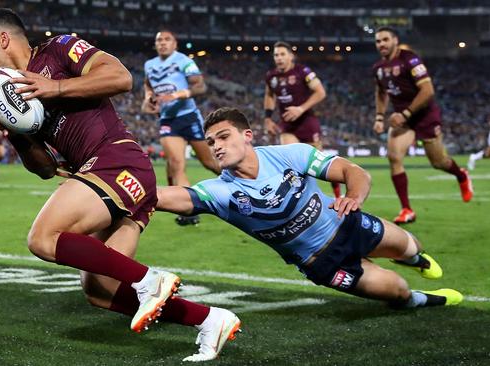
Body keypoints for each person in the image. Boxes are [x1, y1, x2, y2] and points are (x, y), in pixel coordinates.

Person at [0, 9, 240, 362]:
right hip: (114, 177)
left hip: (116, 160)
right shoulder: (17, 92)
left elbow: (120, 76)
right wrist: (15, 132)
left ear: (3, 39)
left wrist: (56, 87)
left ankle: (150, 281)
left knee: (42, 238)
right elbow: (45, 168)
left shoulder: (59, 49)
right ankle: (209, 320)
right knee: (99, 290)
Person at [157, 107, 463, 311]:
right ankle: (422, 300)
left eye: (223, 137)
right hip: (323, 263)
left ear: (247, 136)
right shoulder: (218, 191)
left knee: (412, 245)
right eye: (211, 142)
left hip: (348, 225)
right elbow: (166, 196)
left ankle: (414, 259)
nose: (216, 147)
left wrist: (354, 196)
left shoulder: (289, 155)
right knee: (397, 291)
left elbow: (353, 171)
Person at [372, 27, 473, 224]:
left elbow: (428, 90)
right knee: (393, 157)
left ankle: (461, 175)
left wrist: (407, 113)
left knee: (439, 162)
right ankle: (407, 209)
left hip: (424, 115)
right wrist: (378, 117)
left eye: (385, 39)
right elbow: (381, 92)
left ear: (395, 40)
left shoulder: (410, 59)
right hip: (403, 119)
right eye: (378, 41)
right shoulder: (378, 68)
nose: (381, 44)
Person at [142, 29, 220, 226]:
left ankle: (247, 182)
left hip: (189, 116)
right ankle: (189, 212)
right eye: (159, 40)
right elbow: (148, 85)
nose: (162, 43)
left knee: (210, 163)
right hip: (167, 120)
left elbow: (200, 87)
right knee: (177, 163)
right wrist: (148, 98)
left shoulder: (184, 60)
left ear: (175, 44)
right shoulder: (149, 65)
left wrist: (177, 95)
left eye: (167, 40)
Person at [263, 41, 341, 198]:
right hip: (287, 124)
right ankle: (302, 198)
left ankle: (338, 195)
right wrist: (267, 118)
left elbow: (320, 92)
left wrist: (300, 109)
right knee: (291, 161)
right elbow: (269, 95)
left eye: (282, 54)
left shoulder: (302, 72)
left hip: (307, 122)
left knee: (321, 163)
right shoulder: (271, 77)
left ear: (291, 56)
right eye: (276, 55)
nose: (279, 58)